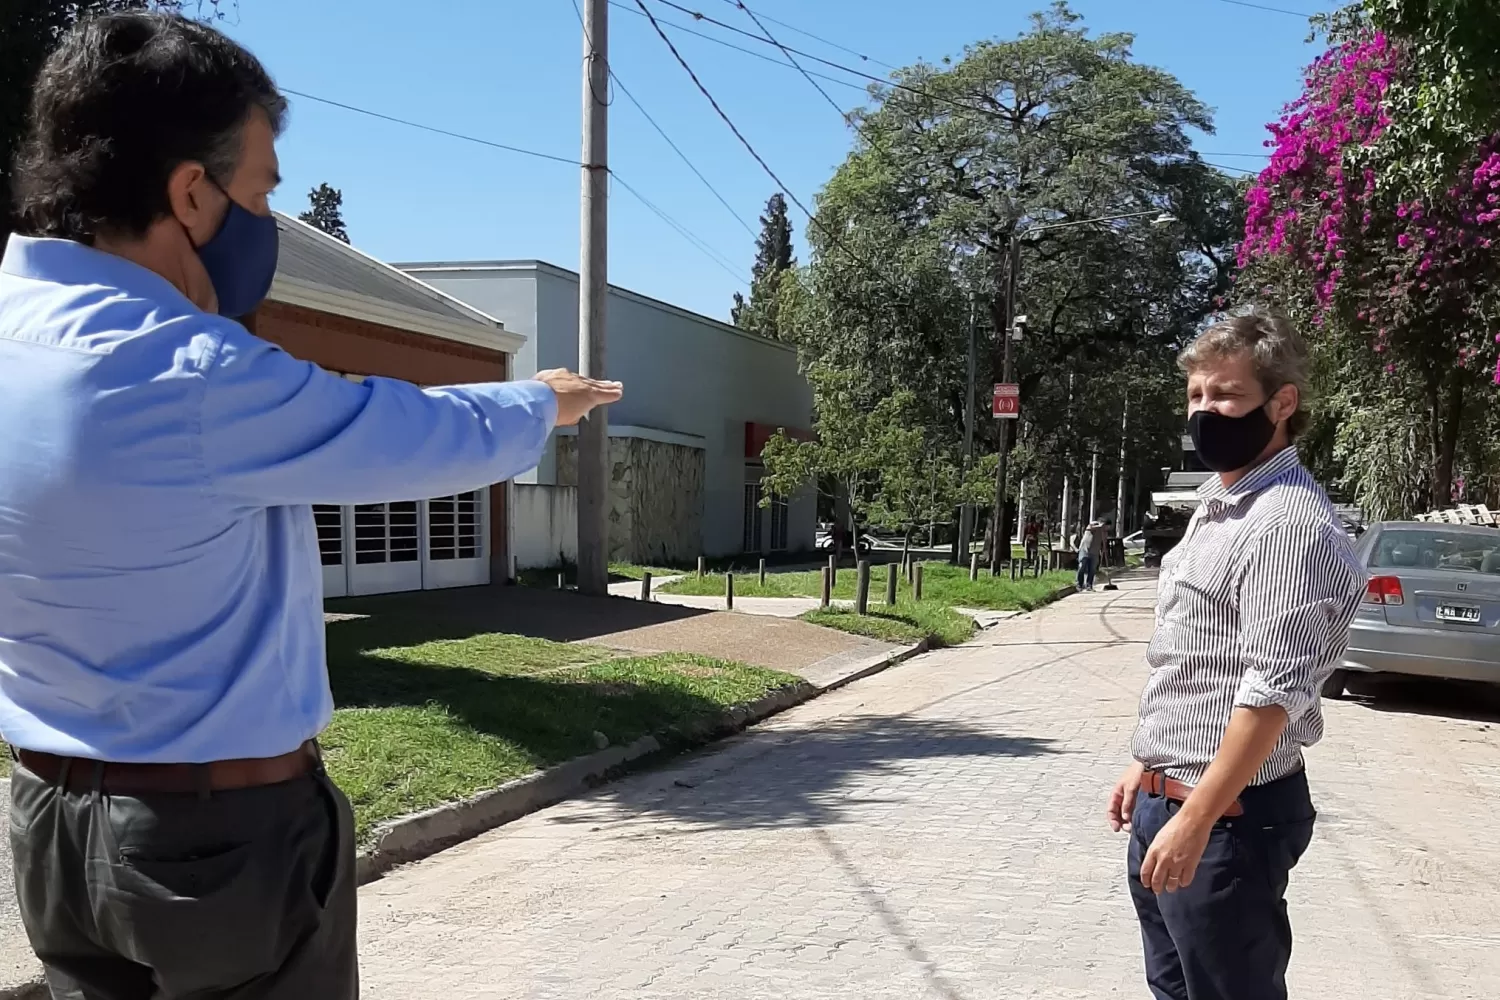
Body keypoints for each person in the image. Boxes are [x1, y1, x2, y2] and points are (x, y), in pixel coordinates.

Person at [0, 14, 621, 999]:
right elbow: (405, 430)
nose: (268, 227)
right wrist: (544, 400)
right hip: (213, 851)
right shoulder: (191, 373)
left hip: (47, 827)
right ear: (189, 192)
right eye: (260, 195)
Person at [1106, 307, 1364, 1000]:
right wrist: (1149, 763)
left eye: (1226, 395)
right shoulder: (1222, 505)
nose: (1205, 411)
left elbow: (1271, 691)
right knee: (1176, 990)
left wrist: (1195, 817)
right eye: (1196, 395)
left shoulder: (1284, 523)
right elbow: (1198, 658)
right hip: (1181, 798)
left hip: (1228, 817)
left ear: (1282, 404)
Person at [1076, 518, 1101, 591]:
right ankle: (1079, 584)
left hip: (1095, 552)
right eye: (1094, 525)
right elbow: (1090, 527)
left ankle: (1089, 585)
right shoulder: (1089, 529)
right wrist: (1100, 525)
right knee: (1081, 567)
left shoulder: (1100, 532)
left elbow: (1103, 541)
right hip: (1084, 550)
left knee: (1092, 569)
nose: (1095, 526)